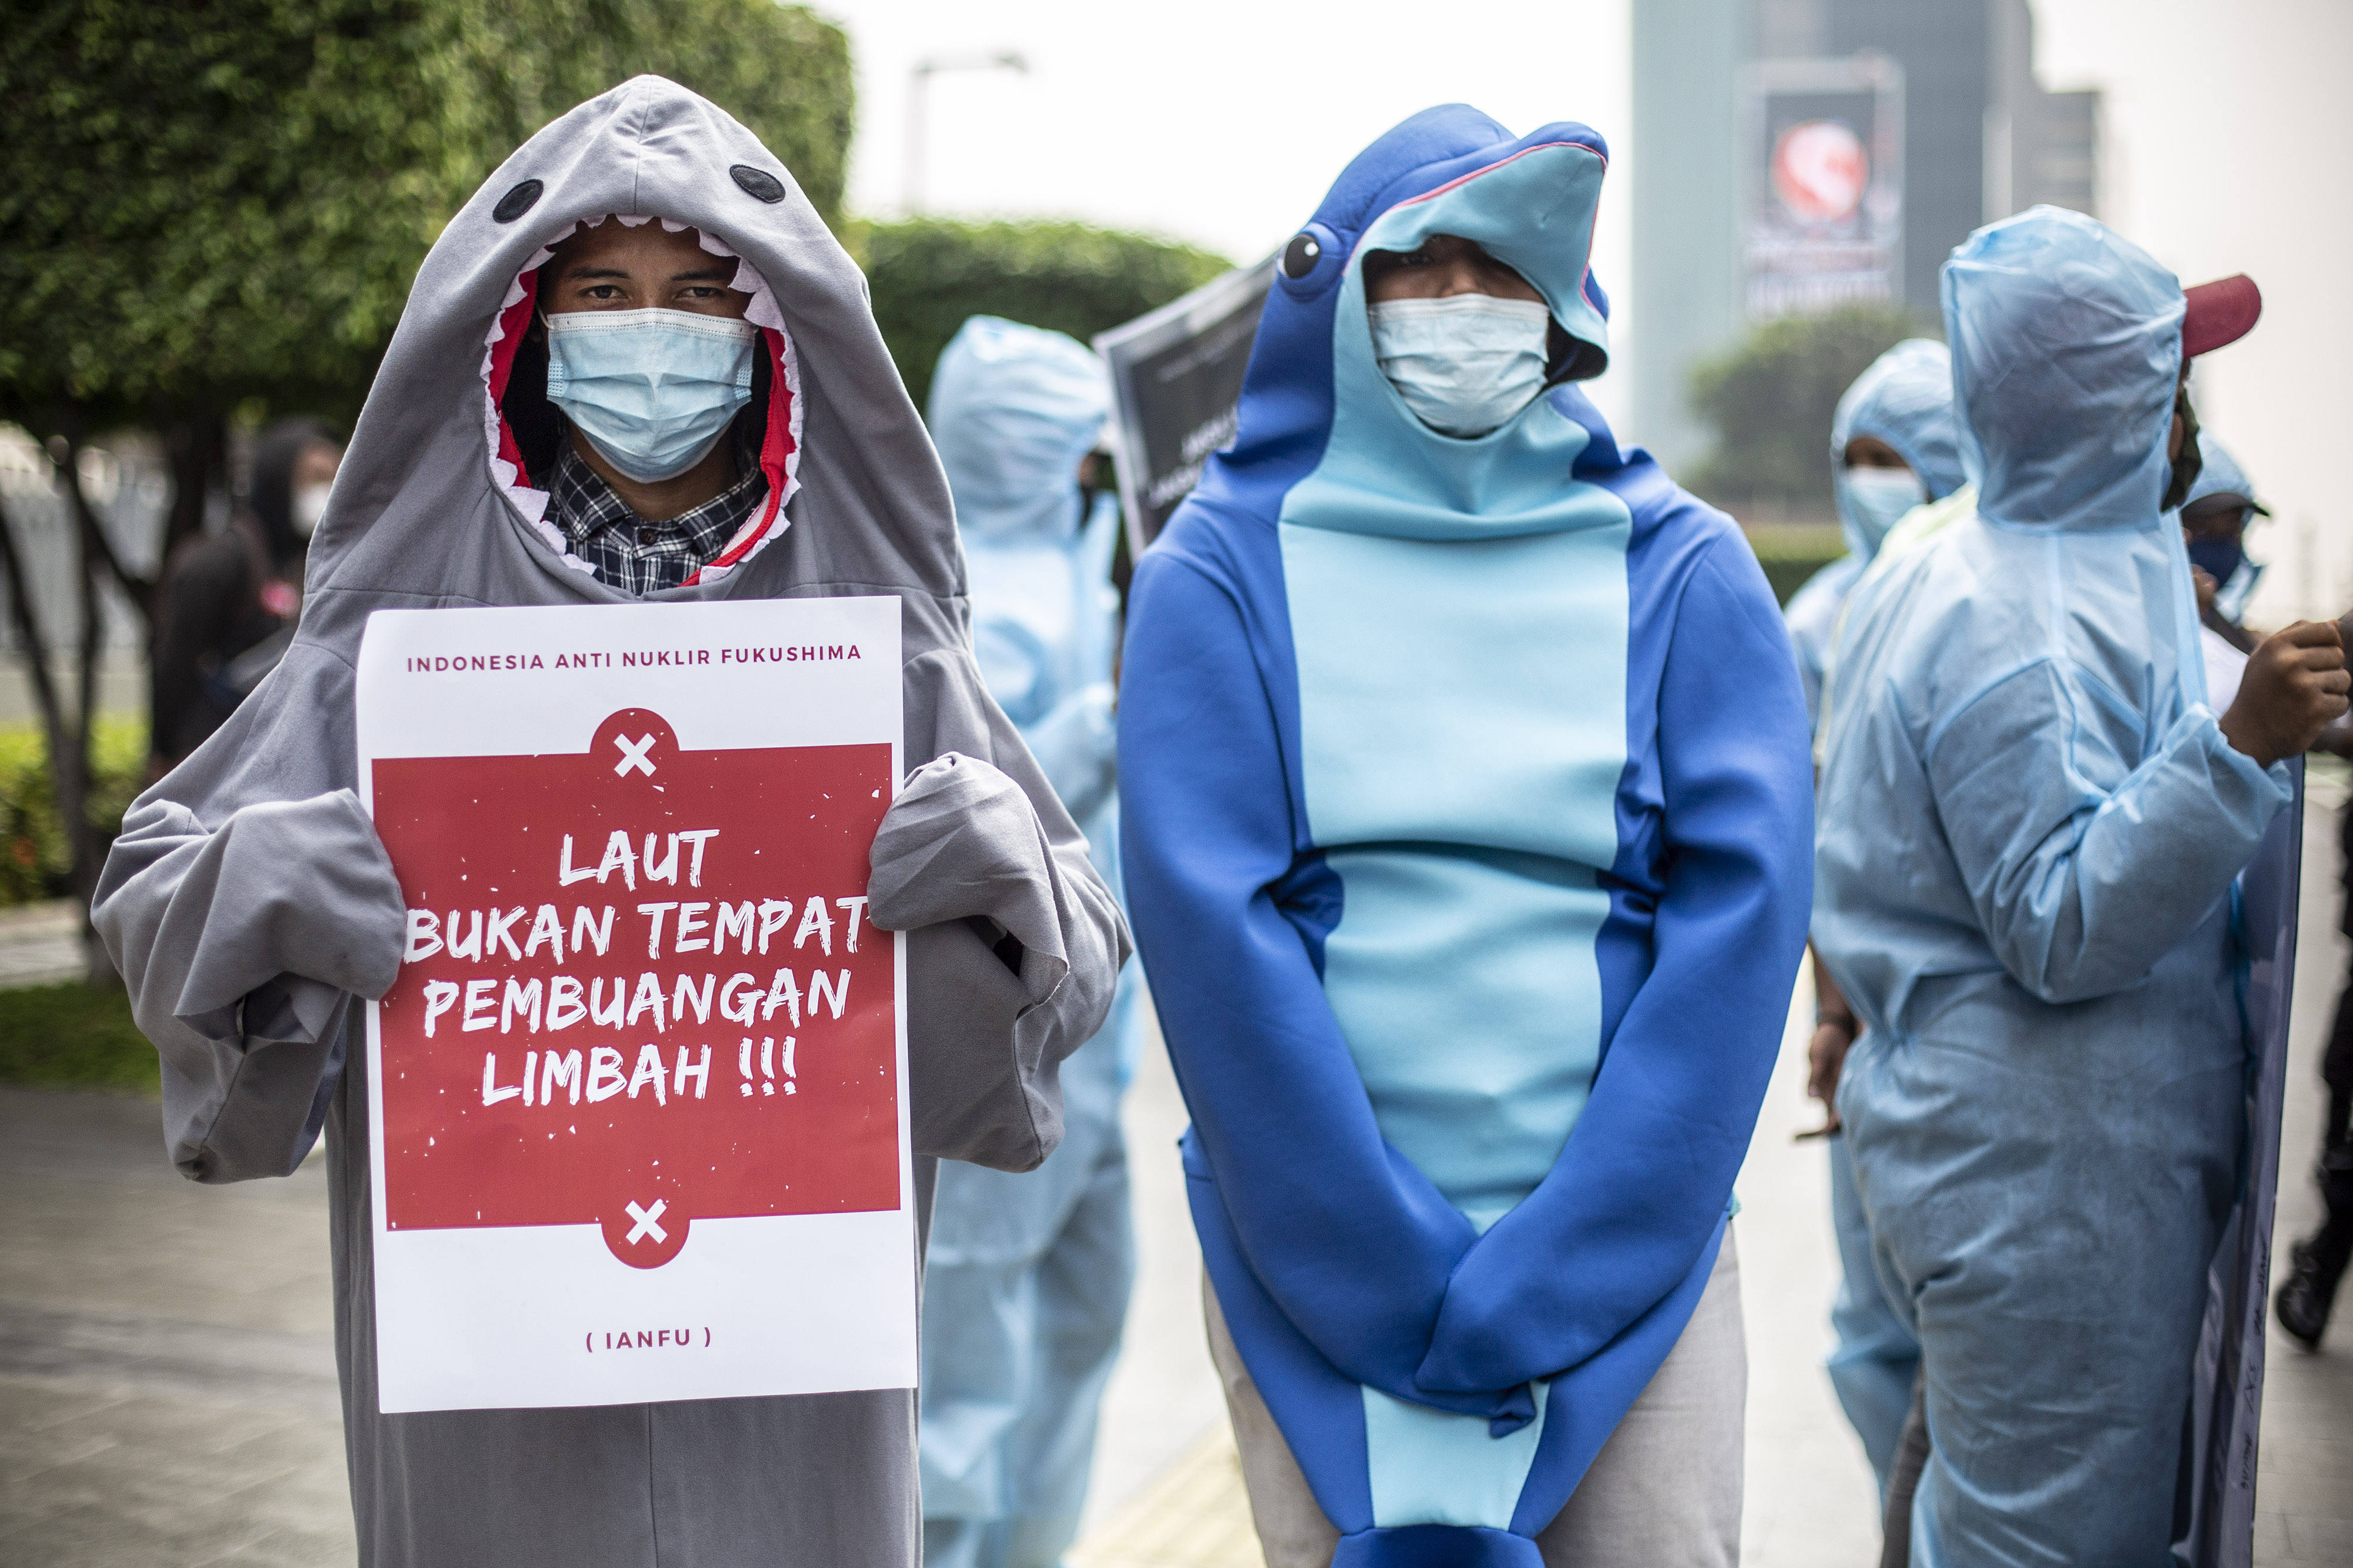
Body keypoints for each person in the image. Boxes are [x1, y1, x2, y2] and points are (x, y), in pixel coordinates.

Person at [92, 77, 1126, 1568]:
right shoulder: (395, 634)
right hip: (489, 1390)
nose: (653, 331)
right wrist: (261, 879)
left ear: (770, 325)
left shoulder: (882, 647)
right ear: (524, 321)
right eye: (604, 290)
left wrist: (1005, 870)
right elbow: (154, 899)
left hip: (797, 1387)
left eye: (700, 294)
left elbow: (1079, 953)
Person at [1119, 106, 1814, 1566]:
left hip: (1637, 1266)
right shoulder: (1219, 569)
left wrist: (1582, 1257)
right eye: (1412, 265)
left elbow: (1737, 928)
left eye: (1501, 269)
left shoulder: (1682, 565)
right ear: (1335, 293)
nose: (1456, 302)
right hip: (1311, 1269)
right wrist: (1374, 1273)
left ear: (1562, 308)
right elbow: (1212, 935)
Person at [1814, 208, 2341, 1563]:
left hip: (2041, 1168)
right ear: (2108, 395)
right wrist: (2242, 748)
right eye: (2170, 379)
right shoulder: (2014, 621)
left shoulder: (2021, 561)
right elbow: (2056, 921)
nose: (2188, 413)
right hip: (2041, 1189)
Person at [916, 316, 1145, 1568]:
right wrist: (1104, 725)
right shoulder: (970, 605)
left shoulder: (1064, 573)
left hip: (1089, 1054)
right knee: (968, 1373)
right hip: (993, 1051)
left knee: (1072, 1329)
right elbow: (968, 816)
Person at [1781, 339, 1964, 1502]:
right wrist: (1831, 1008)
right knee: (1871, 1331)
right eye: (1849, 459)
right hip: (1867, 1018)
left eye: (1889, 458)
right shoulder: (1815, 621)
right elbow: (1805, 840)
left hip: (1971, 1025)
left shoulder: (1984, 592)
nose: (1865, 481)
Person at [149, 417, 340, 770]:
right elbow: (173, 663)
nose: (325, 491)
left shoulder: (309, 560)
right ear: (279, 478)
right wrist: (162, 752)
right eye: (314, 478)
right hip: (211, 753)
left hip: (274, 755)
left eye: (333, 479)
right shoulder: (222, 562)